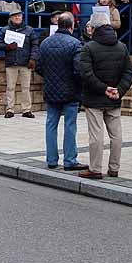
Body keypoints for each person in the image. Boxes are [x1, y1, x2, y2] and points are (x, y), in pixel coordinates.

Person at [78, 12, 132, 179]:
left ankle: (95, 169)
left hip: (94, 98)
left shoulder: (89, 47)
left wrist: (104, 89)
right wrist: (119, 89)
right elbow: (130, 72)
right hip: (114, 98)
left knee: (96, 135)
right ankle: (114, 168)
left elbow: (86, 74)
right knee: (116, 135)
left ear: (94, 28)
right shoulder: (121, 47)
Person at [35, 12, 88, 171]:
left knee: (51, 124)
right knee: (70, 125)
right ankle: (70, 160)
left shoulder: (45, 43)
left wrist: (50, 77)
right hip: (70, 91)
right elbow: (78, 70)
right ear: (72, 26)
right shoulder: (75, 44)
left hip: (51, 89)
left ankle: (51, 159)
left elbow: (38, 67)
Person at [0, 3, 38, 118]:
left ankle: (26, 110)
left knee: (26, 87)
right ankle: (10, 109)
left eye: (19, 16)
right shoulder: (5, 30)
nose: (17, 18)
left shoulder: (29, 30)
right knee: (10, 87)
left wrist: (33, 58)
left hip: (25, 63)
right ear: (11, 18)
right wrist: (7, 47)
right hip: (11, 62)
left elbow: (35, 45)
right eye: (15, 16)